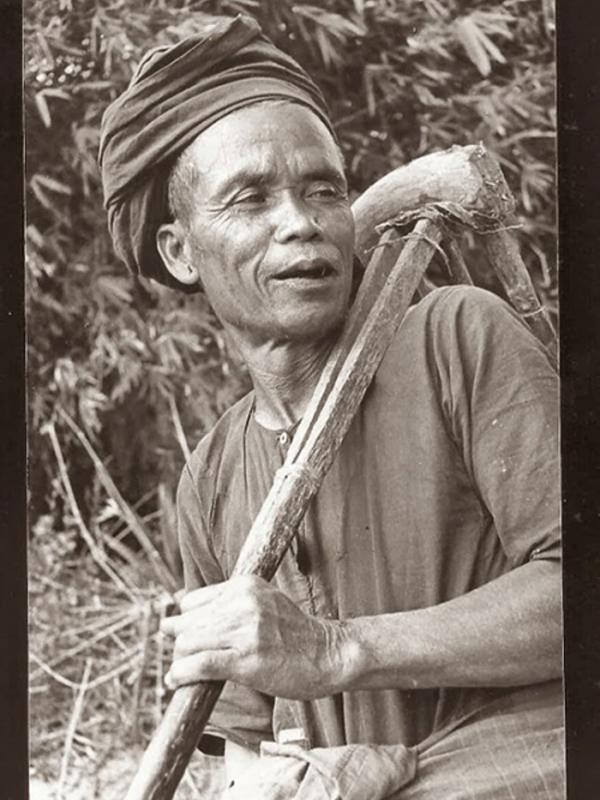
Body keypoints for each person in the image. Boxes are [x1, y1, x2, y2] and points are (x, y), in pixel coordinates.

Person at [99, 14, 563, 798]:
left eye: (324, 189)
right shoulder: (212, 479)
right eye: (250, 198)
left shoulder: (456, 336)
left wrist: (336, 651)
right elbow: (241, 750)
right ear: (180, 251)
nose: (301, 222)